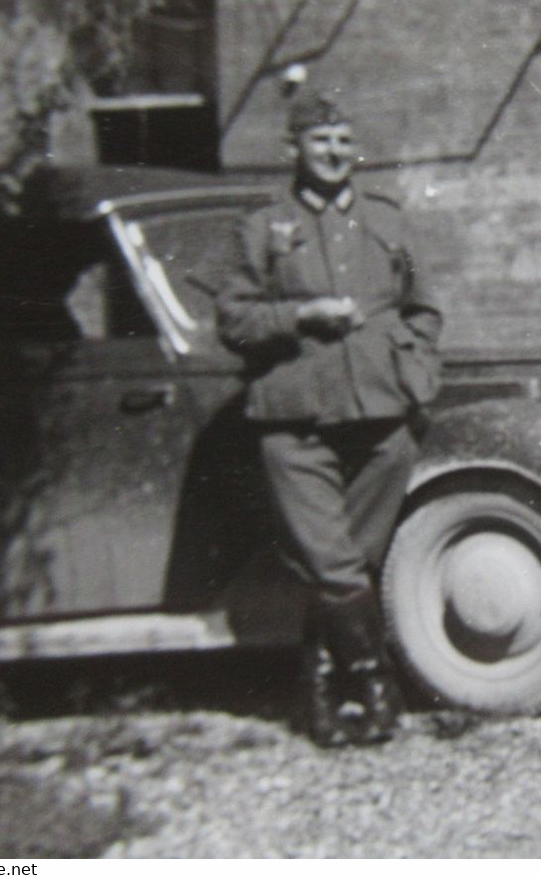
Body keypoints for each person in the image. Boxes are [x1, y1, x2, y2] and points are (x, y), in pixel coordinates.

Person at [216, 91, 442, 747]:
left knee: (345, 568)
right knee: (337, 567)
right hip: (297, 426)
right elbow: (232, 321)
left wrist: (418, 377)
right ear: (294, 150)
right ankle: (376, 690)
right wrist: (302, 317)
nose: (335, 152)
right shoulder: (261, 228)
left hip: (382, 427)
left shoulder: (386, 220)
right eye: (321, 141)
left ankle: (315, 689)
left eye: (344, 140)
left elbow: (423, 310)